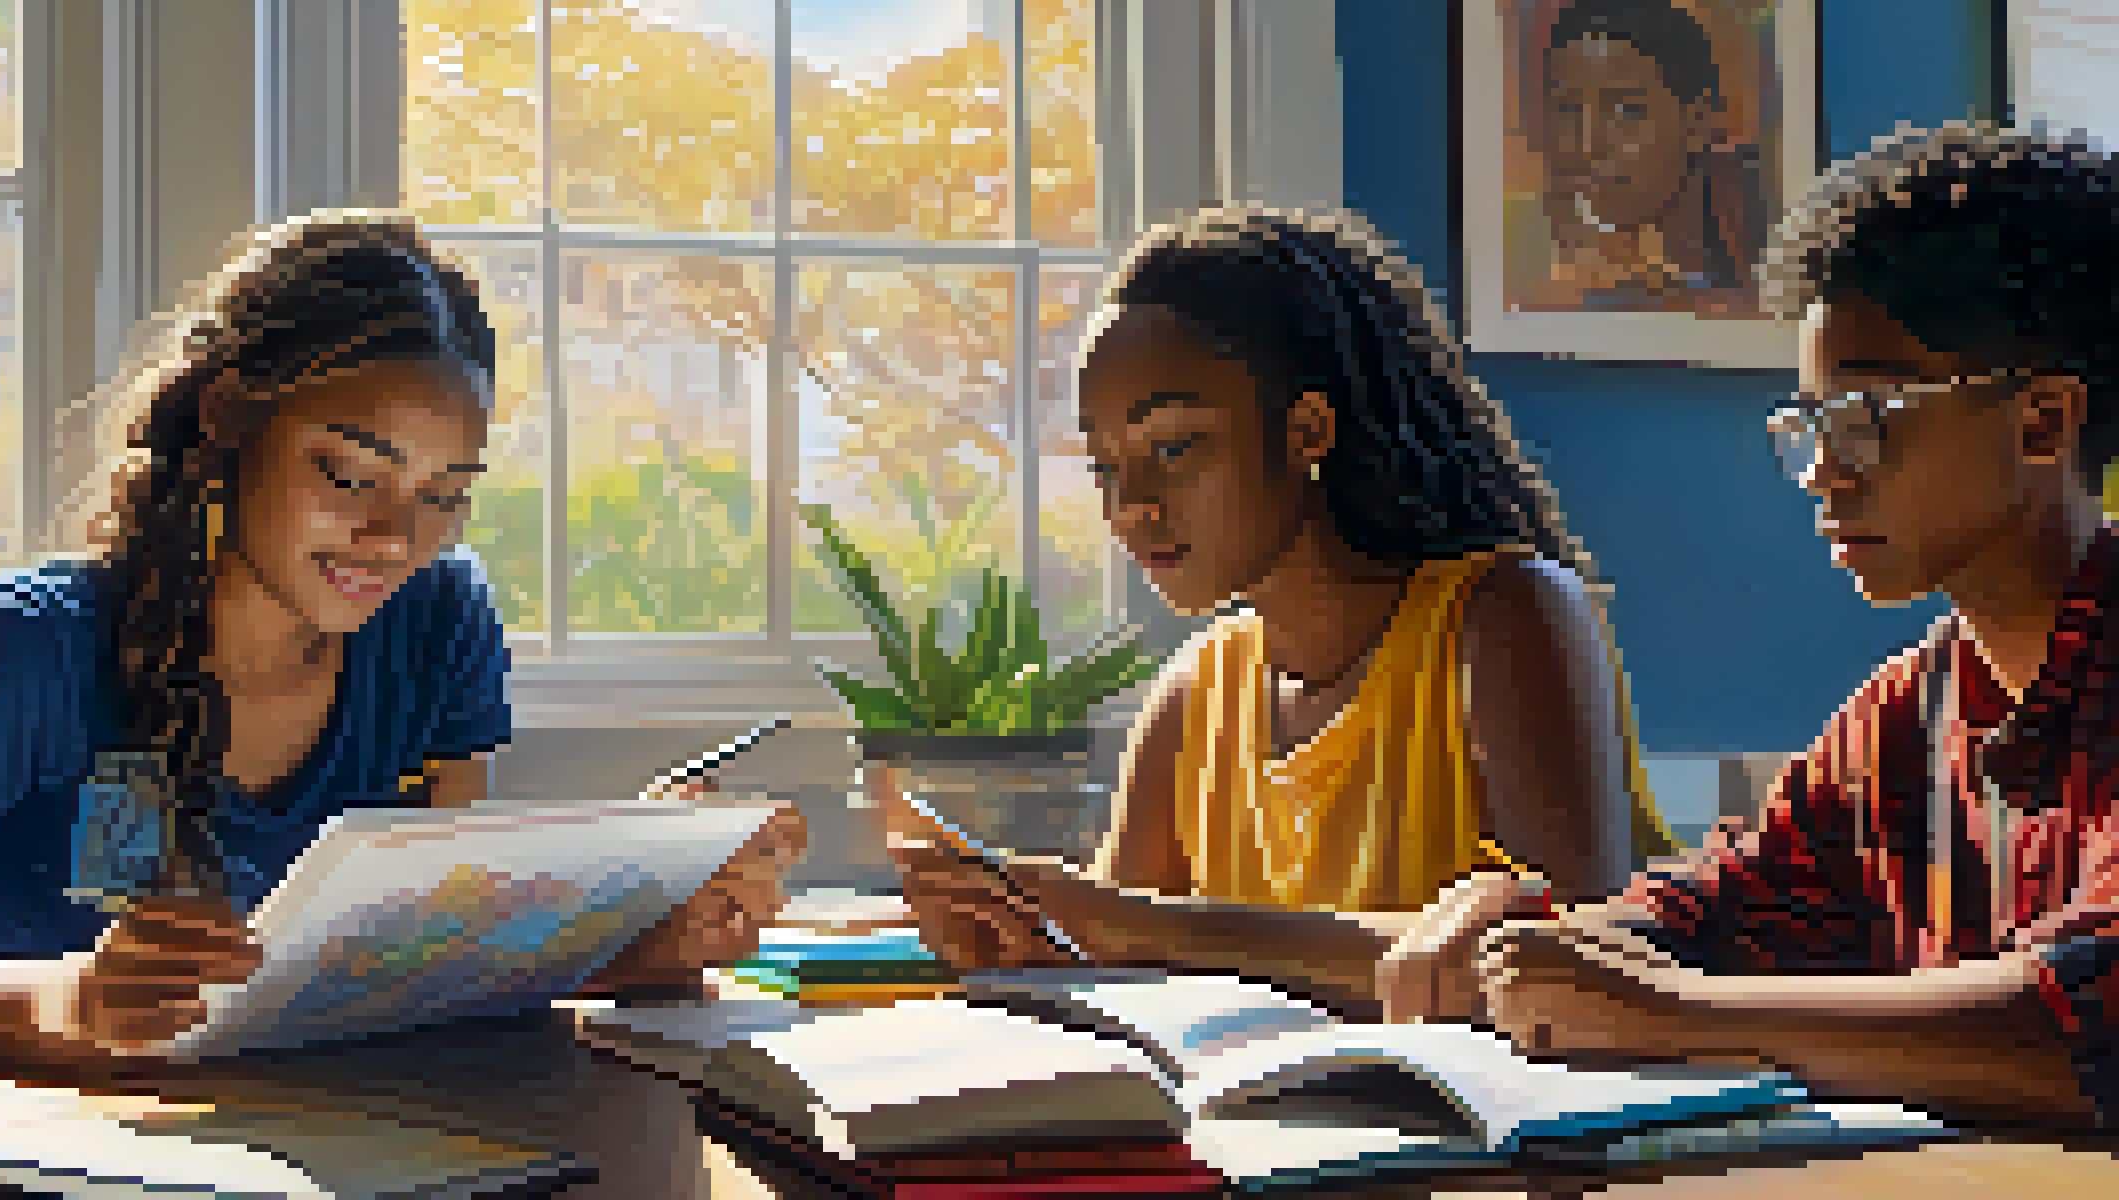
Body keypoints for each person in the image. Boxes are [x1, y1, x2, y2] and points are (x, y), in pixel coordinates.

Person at [901, 124, 2119, 1129]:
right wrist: (1538, 933)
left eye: (1864, 416)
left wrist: (1677, 1017)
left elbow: (2081, 1032)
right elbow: (1714, 909)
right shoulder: (1906, 716)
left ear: (2043, 423)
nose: (1820, 471)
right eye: (1807, 426)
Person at [0, 211, 804, 1074]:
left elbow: (424, 966)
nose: (396, 539)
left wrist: (647, 940)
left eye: (443, 497)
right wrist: (66, 999)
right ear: (227, 419)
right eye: (349, 475)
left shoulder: (436, 623)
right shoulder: (27, 649)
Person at [890, 206, 1673, 999]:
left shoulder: (1507, 617)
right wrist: (1022, 936)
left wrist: (1141, 924)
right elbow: (1108, 961)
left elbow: (1575, 958)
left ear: (1306, 430)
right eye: (1104, 465)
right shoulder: (1197, 695)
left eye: (1173, 447)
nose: (1130, 504)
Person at [1523, 0, 1766, 314]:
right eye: (1568, 109)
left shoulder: (1763, 227)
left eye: (1625, 111)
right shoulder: (1577, 267)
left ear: (1697, 121)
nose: (1587, 146)